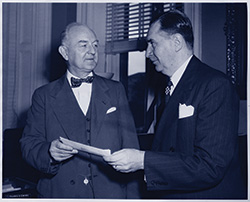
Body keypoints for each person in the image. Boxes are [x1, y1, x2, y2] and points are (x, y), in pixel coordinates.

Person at [103, 10, 246, 199]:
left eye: (152, 43)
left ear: (177, 42)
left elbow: (210, 167)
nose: (147, 53)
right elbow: (169, 142)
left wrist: (142, 160)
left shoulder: (215, 85)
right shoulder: (169, 87)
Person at [20, 22, 141, 198]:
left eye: (95, 45)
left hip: (110, 193)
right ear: (65, 52)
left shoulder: (116, 90)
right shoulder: (44, 96)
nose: (92, 51)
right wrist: (49, 152)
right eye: (83, 45)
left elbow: (132, 149)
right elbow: (28, 145)